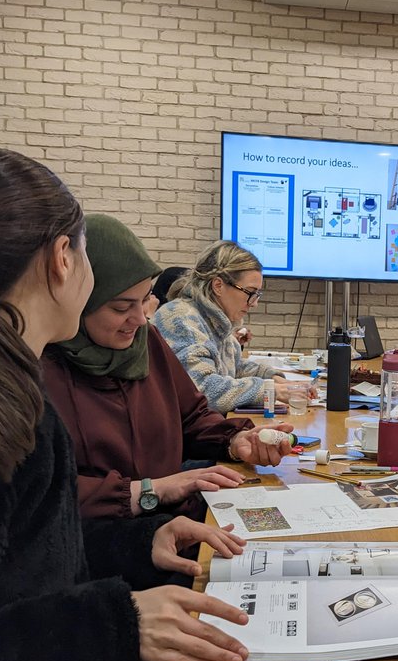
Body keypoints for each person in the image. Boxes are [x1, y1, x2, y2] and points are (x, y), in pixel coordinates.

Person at [0, 148, 253, 661]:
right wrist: (112, 622)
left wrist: (136, 544)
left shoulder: (5, 378)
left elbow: (26, 565)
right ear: (64, 259)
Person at [42, 216, 294, 522]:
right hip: (101, 545)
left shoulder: (146, 342)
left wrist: (234, 441)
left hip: (165, 523)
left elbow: (192, 416)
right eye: (121, 308)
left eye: (145, 299)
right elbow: (45, 494)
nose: (139, 319)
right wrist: (151, 491)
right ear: (80, 300)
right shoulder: (43, 370)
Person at [152, 240, 292, 411]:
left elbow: (234, 367)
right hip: (184, 435)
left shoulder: (214, 319)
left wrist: (272, 378)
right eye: (250, 292)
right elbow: (202, 390)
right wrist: (268, 390)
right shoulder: (181, 318)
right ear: (218, 285)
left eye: (257, 294)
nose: (254, 303)